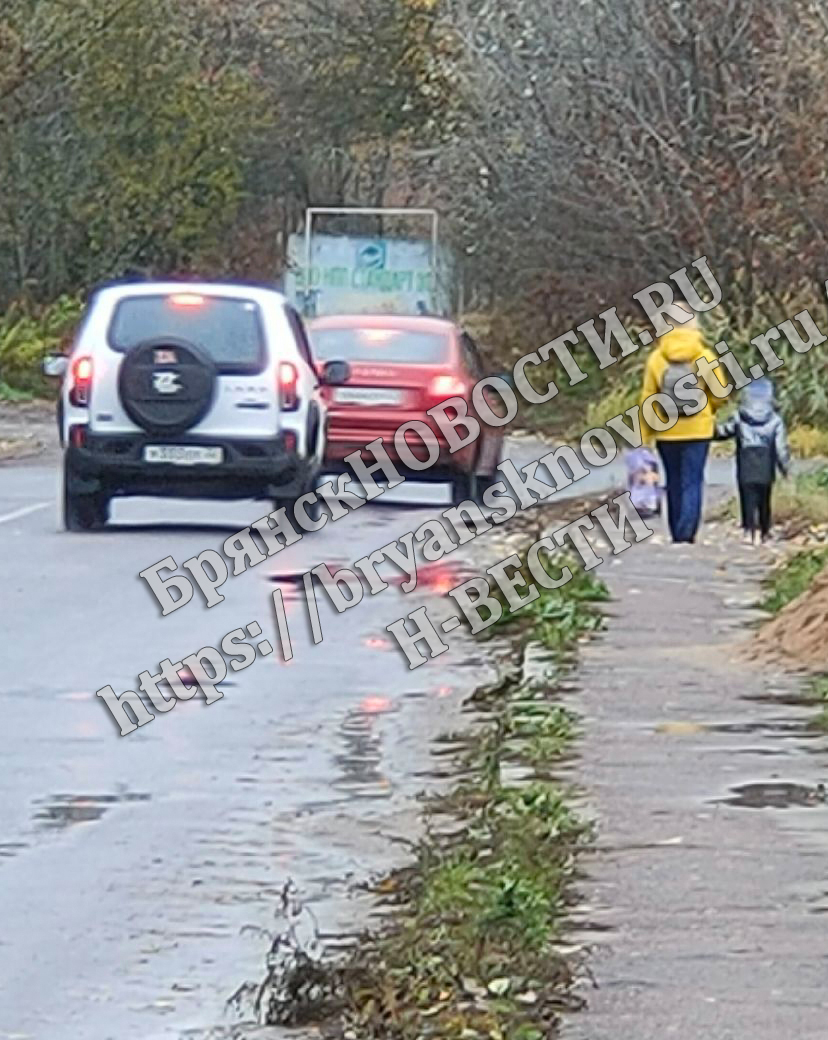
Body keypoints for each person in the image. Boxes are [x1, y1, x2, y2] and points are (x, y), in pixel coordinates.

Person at [639, 294, 730, 543]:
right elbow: (720, 393)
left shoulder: (657, 358)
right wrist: (708, 410)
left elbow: (647, 401)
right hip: (698, 430)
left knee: (673, 482)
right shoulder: (705, 356)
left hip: (666, 432)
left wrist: (645, 437)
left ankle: (676, 534)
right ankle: (687, 534)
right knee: (693, 481)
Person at [715, 377, 790, 544]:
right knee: (765, 497)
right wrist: (785, 468)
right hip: (765, 460)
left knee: (747, 496)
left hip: (746, 459)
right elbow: (780, 448)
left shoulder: (739, 417)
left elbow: (723, 432)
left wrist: (707, 431)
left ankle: (749, 530)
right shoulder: (775, 420)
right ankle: (765, 531)